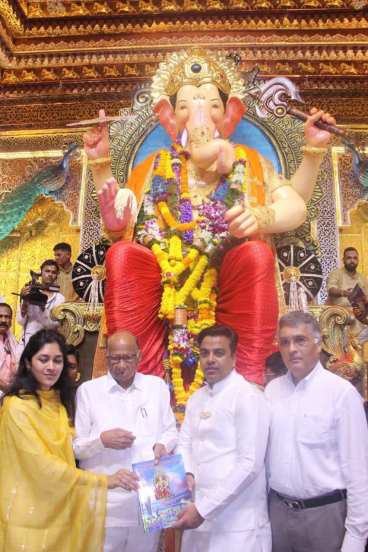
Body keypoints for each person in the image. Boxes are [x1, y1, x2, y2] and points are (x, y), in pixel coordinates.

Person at [84, 49, 335, 395]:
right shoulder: (156, 166)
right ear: (170, 116)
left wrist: (262, 215)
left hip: (226, 278)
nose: (199, 113)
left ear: (229, 114)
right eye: (187, 104)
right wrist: (103, 178)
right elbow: (121, 218)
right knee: (123, 255)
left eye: (210, 104)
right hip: (165, 282)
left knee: (256, 255)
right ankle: (141, 390)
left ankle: (248, 386)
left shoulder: (248, 162)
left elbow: (294, 205)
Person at [0, 329, 130, 552]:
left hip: (60, 510)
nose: (51, 367)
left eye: (57, 360)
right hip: (27, 517)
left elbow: (71, 451)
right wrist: (103, 481)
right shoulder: (16, 406)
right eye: (44, 359)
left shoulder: (58, 403)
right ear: (29, 363)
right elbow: (43, 465)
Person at [265, 311, 368, 552]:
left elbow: (358, 471)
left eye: (300, 340)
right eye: (285, 341)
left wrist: (355, 537)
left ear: (318, 343)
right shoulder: (272, 391)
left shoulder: (341, 394)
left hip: (325, 517)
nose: (292, 349)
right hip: (278, 513)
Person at [73, 330, 178, 552]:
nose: (121, 365)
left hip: (150, 497)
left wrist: (162, 446)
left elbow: (170, 432)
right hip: (106, 502)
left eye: (128, 358)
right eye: (115, 358)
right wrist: (101, 440)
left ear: (139, 356)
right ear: (106, 356)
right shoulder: (89, 391)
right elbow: (77, 449)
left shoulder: (156, 387)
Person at [174, 324, 270, 552]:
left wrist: (204, 509)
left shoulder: (248, 396)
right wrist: (187, 472)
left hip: (237, 525)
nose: (210, 360)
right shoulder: (197, 397)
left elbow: (249, 465)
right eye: (204, 353)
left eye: (218, 353)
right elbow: (184, 443)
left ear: (234, 357)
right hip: (197, 516)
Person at [16, 259, 65, 350]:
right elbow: (20, 321)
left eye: (53, 272)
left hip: (47, 343)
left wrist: (43, 309)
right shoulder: (30, 291)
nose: (50, 274)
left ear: (57, 275)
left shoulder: (60, 298)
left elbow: (55, 325)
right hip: (27, 341)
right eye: (47, 271)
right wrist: (24, 300)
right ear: (41, 272)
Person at [327, 247, 368, 343]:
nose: (352, 261)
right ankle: (349, 348)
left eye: (355, 258)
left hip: (358, 316)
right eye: (349, 258)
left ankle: (353, 346)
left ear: (358, 260)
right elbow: (331, 290)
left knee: (353, 348)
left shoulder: (362, 278)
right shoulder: (336, 274)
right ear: (343, 260)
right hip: (339, 316)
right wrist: (344, 293)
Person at [0, 303, 18, 395]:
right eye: (0, 316)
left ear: (11, 320)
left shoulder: (12, 339)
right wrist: (8, 391)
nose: (3, 320)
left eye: (7, 317)